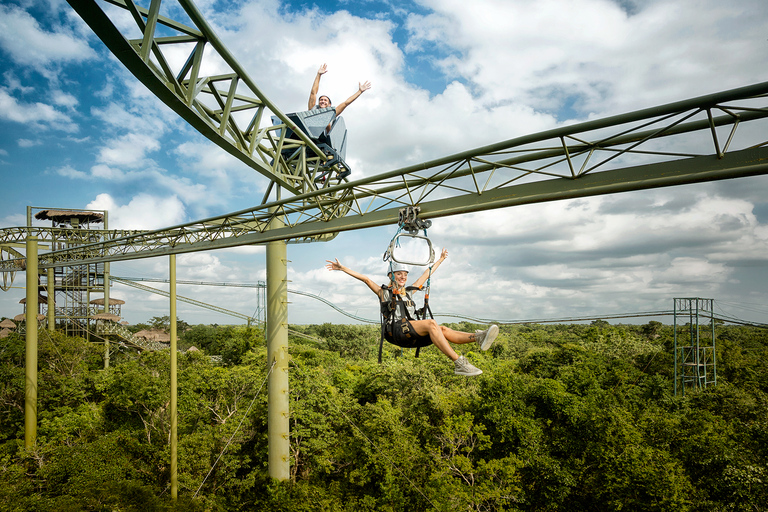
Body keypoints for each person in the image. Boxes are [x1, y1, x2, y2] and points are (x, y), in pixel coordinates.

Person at [326, 248, 499, 376]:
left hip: (410, 331)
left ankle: (478, 337)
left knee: (443, 329)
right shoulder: (384, 293)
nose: (403, 277)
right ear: (391, 276)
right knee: (432, 323)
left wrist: (441, 260)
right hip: (396, 331)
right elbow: (365, 279)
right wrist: (343, 268)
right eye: (399, 274)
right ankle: (459, 363)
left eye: (405, 275)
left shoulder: (409, 292)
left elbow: (426, 274)